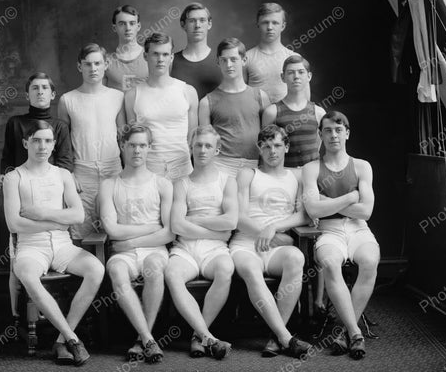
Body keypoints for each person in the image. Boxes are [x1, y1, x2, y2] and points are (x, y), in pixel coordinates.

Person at [3, 120, 105, 366]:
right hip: (31, 247)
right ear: (27, 142)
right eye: (37, 140)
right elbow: (14, 224)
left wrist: (39, 213)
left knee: (96, 269)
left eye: (48, 141)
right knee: (27, 274)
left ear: (54, 144)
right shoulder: (13, 177)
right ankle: (73, 339)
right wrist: (57, 221)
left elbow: (77, 216)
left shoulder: (63, 175)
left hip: (62, 245)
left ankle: (62, 338)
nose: (42, 146)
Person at [302, 111, 380, 359]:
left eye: (338, 130)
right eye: (327, 130)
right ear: (320, 135)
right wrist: (349, 197)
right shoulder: (311, 168)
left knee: (370, 261)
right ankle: (355, 333)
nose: (333, 135)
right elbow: (313, 209)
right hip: (329, 230)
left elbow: (366, 211)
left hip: (358, 228)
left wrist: (329, 201)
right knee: (330, 262)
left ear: (347, 133)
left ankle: (345, 331)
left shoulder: (362, 166)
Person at [230, 124, 312, 358]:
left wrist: (273, 228)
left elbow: (303, 213)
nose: (272, 151)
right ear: (259, 148)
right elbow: (238, 217)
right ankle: (285, 337)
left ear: (286, 147)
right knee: (251, 269)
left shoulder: (296, 175)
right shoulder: (248, 174)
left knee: (296, 258)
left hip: (277, 245)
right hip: (246, 244)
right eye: (266, 146)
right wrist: (266, 233)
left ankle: (277, 337)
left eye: (277, 145)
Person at [0, 72, 73, 324]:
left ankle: (54, 312)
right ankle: (18, 316)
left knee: (55, 247)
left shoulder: (60, 126)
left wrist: (54, 201)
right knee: (17, 258)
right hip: (21, 196)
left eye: (45, 88)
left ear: (53, 94)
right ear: (27, 93)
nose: (40, 92)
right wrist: (16, 188)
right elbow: (8, 161)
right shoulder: (15, 122)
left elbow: (65, 162)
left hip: (52, 196)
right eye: (34, 88)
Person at [99, 123, 174, 363]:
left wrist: (129, 241)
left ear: (150, 148)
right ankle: (149, 340)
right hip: (124, 255)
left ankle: (142, 340)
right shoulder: (109, 185)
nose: (137, 151)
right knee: (116, 270)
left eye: (142, 145)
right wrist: (152, 227)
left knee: (154, 268)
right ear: (122, 146)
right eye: (132, 145)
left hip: (151, 248)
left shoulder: (162, 183)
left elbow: (168, 234)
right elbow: (111, 228)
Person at [165, 125, 236, 360]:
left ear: (217, 150)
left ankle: (199, 335)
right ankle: (208, 338)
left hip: (215, 250)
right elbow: (177, 225)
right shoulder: (181, 183)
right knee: (172, 273)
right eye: (198, 145)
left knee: (226, 268)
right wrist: (216, 230)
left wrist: (194, 220)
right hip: (186, 247)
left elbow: (231, 220)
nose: (203, 150)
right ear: (191, 148)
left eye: (208, 146)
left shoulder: (227, 181)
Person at [262, 54, 326, 312]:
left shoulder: (318, 111)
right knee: (286, 235)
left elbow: (319, 151)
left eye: (301, 72)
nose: (296, 76)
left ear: (308, 76)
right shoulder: (273, 111)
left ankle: (318, 301)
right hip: (284, 177)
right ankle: (287, 297)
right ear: (283, 77)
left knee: (314, 235)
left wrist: (309, 179)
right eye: (291, 73)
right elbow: (265, 147)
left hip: (309, 178)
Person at [58, 43, 126, 241]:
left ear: (106, 64)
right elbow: (62, 142)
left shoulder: (117, 97)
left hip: (113, 168)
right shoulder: (67, 100)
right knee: (82, 228)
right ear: (80, 66)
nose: (93, 69)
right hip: (82, 170)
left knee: (116, 224)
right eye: (88, 64)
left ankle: (113, 270)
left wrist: (126, 172)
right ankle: (85, 271)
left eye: (97, 63)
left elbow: (123, 137)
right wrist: (69, 172)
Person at [125, 32, 198, 181]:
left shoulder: (188, 91)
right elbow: (132, 139)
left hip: (183, 168)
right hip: (149, 170)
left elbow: (193, 136)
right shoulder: (132, 95)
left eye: (165, 54)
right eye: (155, 54)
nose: (160, 60)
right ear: (145, 56)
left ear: (171, 57)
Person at [199, 37, 269, 178]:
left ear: (244, 60)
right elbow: (205, 143)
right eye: (224, 60)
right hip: (221, 164)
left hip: (254, 164)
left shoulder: (261, 97)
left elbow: (268, 138)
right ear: (218, 62)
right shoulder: (207, 101)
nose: (228, 64)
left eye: (233, 59)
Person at [245, 3, 309, 104]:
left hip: (287, 118)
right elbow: (240, 95)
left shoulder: (294, 58)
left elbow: (305, 99)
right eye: (265, 22)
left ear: (283, 26)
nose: (270, 27)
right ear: (258, 24)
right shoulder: (246, 58)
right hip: (257, 118)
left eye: (275, 23)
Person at [170, 2, 221, 100]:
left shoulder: (222, 60)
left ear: (209, 24)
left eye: (202, 20)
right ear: (183, 25)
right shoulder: (171, 61)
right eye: (192, 21)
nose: (197, 25)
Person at [105, 5, 148, 92]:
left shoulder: (150, 57)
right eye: (122, 24)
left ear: (138, 26)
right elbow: (100, 96)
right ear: (114, 28)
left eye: (132, 23)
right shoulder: (106, 61)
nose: (128, 28)